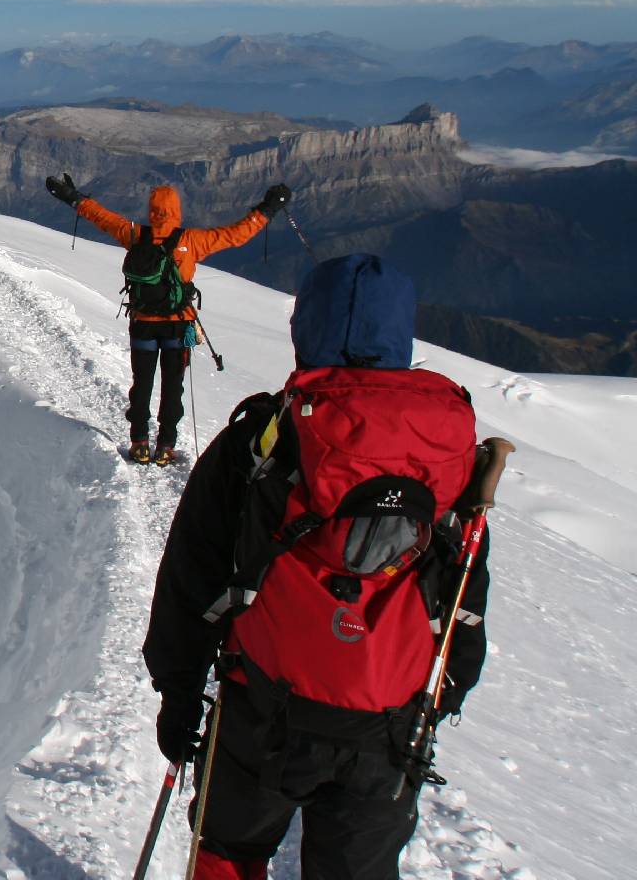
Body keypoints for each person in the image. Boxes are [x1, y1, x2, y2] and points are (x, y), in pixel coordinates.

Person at [141, 254, 491, 880]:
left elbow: (191, 573)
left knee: (230, 854)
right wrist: (447, 688)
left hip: (261, 713)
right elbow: (464, 579)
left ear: (309, 329)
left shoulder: (262, 437)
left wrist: (178, 690)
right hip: (389, 719)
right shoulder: (446, 448)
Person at [44, 176, 289, 463]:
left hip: (143, 324)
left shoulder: (134, 234)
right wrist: (268, 208)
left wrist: (71, 196)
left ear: (151, 210)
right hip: (177, 324)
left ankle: (139, 443)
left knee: (142, 383)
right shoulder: (191, 241)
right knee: (173, 387)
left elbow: (100, 217)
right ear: (176, 211)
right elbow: (237, 234)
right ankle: (166, 446)